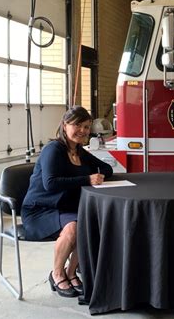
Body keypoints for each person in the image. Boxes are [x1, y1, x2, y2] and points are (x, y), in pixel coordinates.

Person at [21, 106, 113, 298]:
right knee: (73, 228)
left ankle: (71, 273)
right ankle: (56, 274)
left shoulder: (79, 150)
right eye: (77, 125)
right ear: (65, 125)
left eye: (87, 127)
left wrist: (98, 174)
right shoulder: (53, 150)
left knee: (89, 223)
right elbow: (50, 184)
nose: (83, 130)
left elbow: (106, 168)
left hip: (64, 208)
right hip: (40, 209)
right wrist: (87, 179)